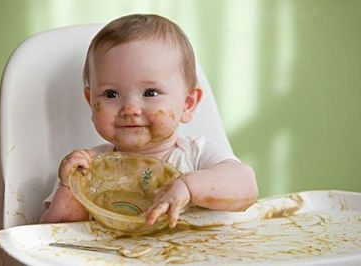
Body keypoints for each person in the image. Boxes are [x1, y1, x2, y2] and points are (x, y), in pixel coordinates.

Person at [40, 14, 258, 228]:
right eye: (111, 94)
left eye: (151, 92)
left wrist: (189, 187)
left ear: (188, 104)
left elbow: (246, 185)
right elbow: (50, 237)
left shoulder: (195, 155)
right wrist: (69, 187)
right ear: (91, 101)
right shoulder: (86, 169)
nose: (130, 109)